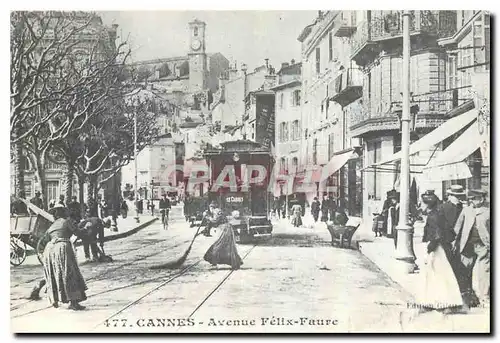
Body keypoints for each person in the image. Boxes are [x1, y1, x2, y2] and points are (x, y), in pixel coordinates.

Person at [411, 190, 463, 313]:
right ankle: (437, 301)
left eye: (422, 204)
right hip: (438, 247)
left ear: (428, 204)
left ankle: (442, 302)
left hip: (436, 248)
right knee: (438, 275)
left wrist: (430, 249)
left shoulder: (433, 216)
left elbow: (437, 235)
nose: (420, 206)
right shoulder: (436, 213)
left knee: (437, 275)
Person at [42, 203, 87, 310]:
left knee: (56, 273)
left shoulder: (52, 225)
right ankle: (73, 302)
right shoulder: (67, 221)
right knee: (69, 273)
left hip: (50, 249)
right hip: (62, 248)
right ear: (63, 212)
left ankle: (55, 299)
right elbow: (78, 233)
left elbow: (45, 239)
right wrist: (86, 229)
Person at [453, 189, 490, 308]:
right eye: (472, 199)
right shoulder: (467, 210)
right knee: (465, 270)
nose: (473, 201)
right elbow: (458, 227)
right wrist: (453, 241)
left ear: (482, 198)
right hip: (467, 245)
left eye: (476, 199)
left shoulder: (489, 210)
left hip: (483, 245)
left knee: (484, 272)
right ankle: (467, 296)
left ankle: (484, 297)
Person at [203, 202, 243, 270]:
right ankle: (235, 263)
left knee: (218, 245)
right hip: (226, 228)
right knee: (228, 247)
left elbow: (215, 220)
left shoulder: (216, 211)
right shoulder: (218, 210)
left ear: (211, 208)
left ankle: (214, 262)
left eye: (210, 208)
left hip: (224, 229)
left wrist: (207, 217)